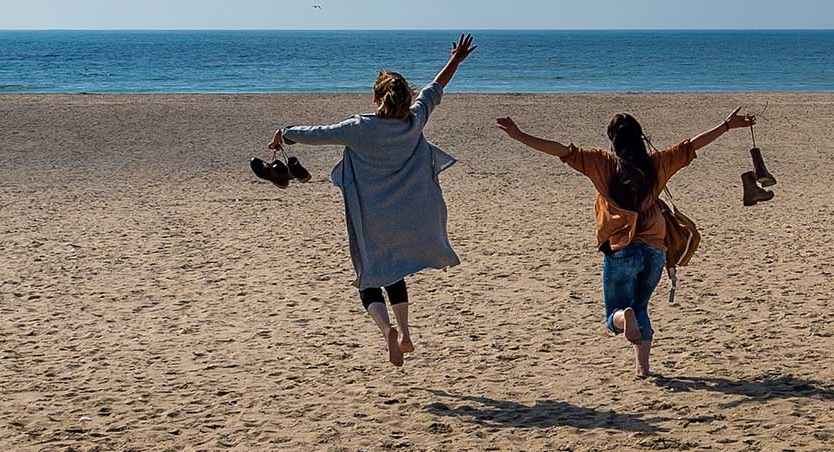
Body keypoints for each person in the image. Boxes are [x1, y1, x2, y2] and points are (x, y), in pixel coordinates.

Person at [495, 109, 756, 378]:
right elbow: (691, 145)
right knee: (641, 306)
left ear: (613, 141)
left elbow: (560, 150)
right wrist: (726, 125)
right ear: (641, 138)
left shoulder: (599, 162)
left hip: (621, 249)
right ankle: (643, 368)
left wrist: (519, 135)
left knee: (614, 314)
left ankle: (623, 318)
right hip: (655, 250)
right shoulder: (658, 163)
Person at [269, 34, 476, 367]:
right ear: (406, 98)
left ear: (376, 97)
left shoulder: (358, 128)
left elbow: (317, 134)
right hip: (408, 216)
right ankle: (406, 334)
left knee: (368, 279)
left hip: (372, 218)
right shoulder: (414, 120)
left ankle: (387, 332)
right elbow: (435, 90)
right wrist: (456, 60)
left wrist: (286, 132)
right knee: (395, 273)